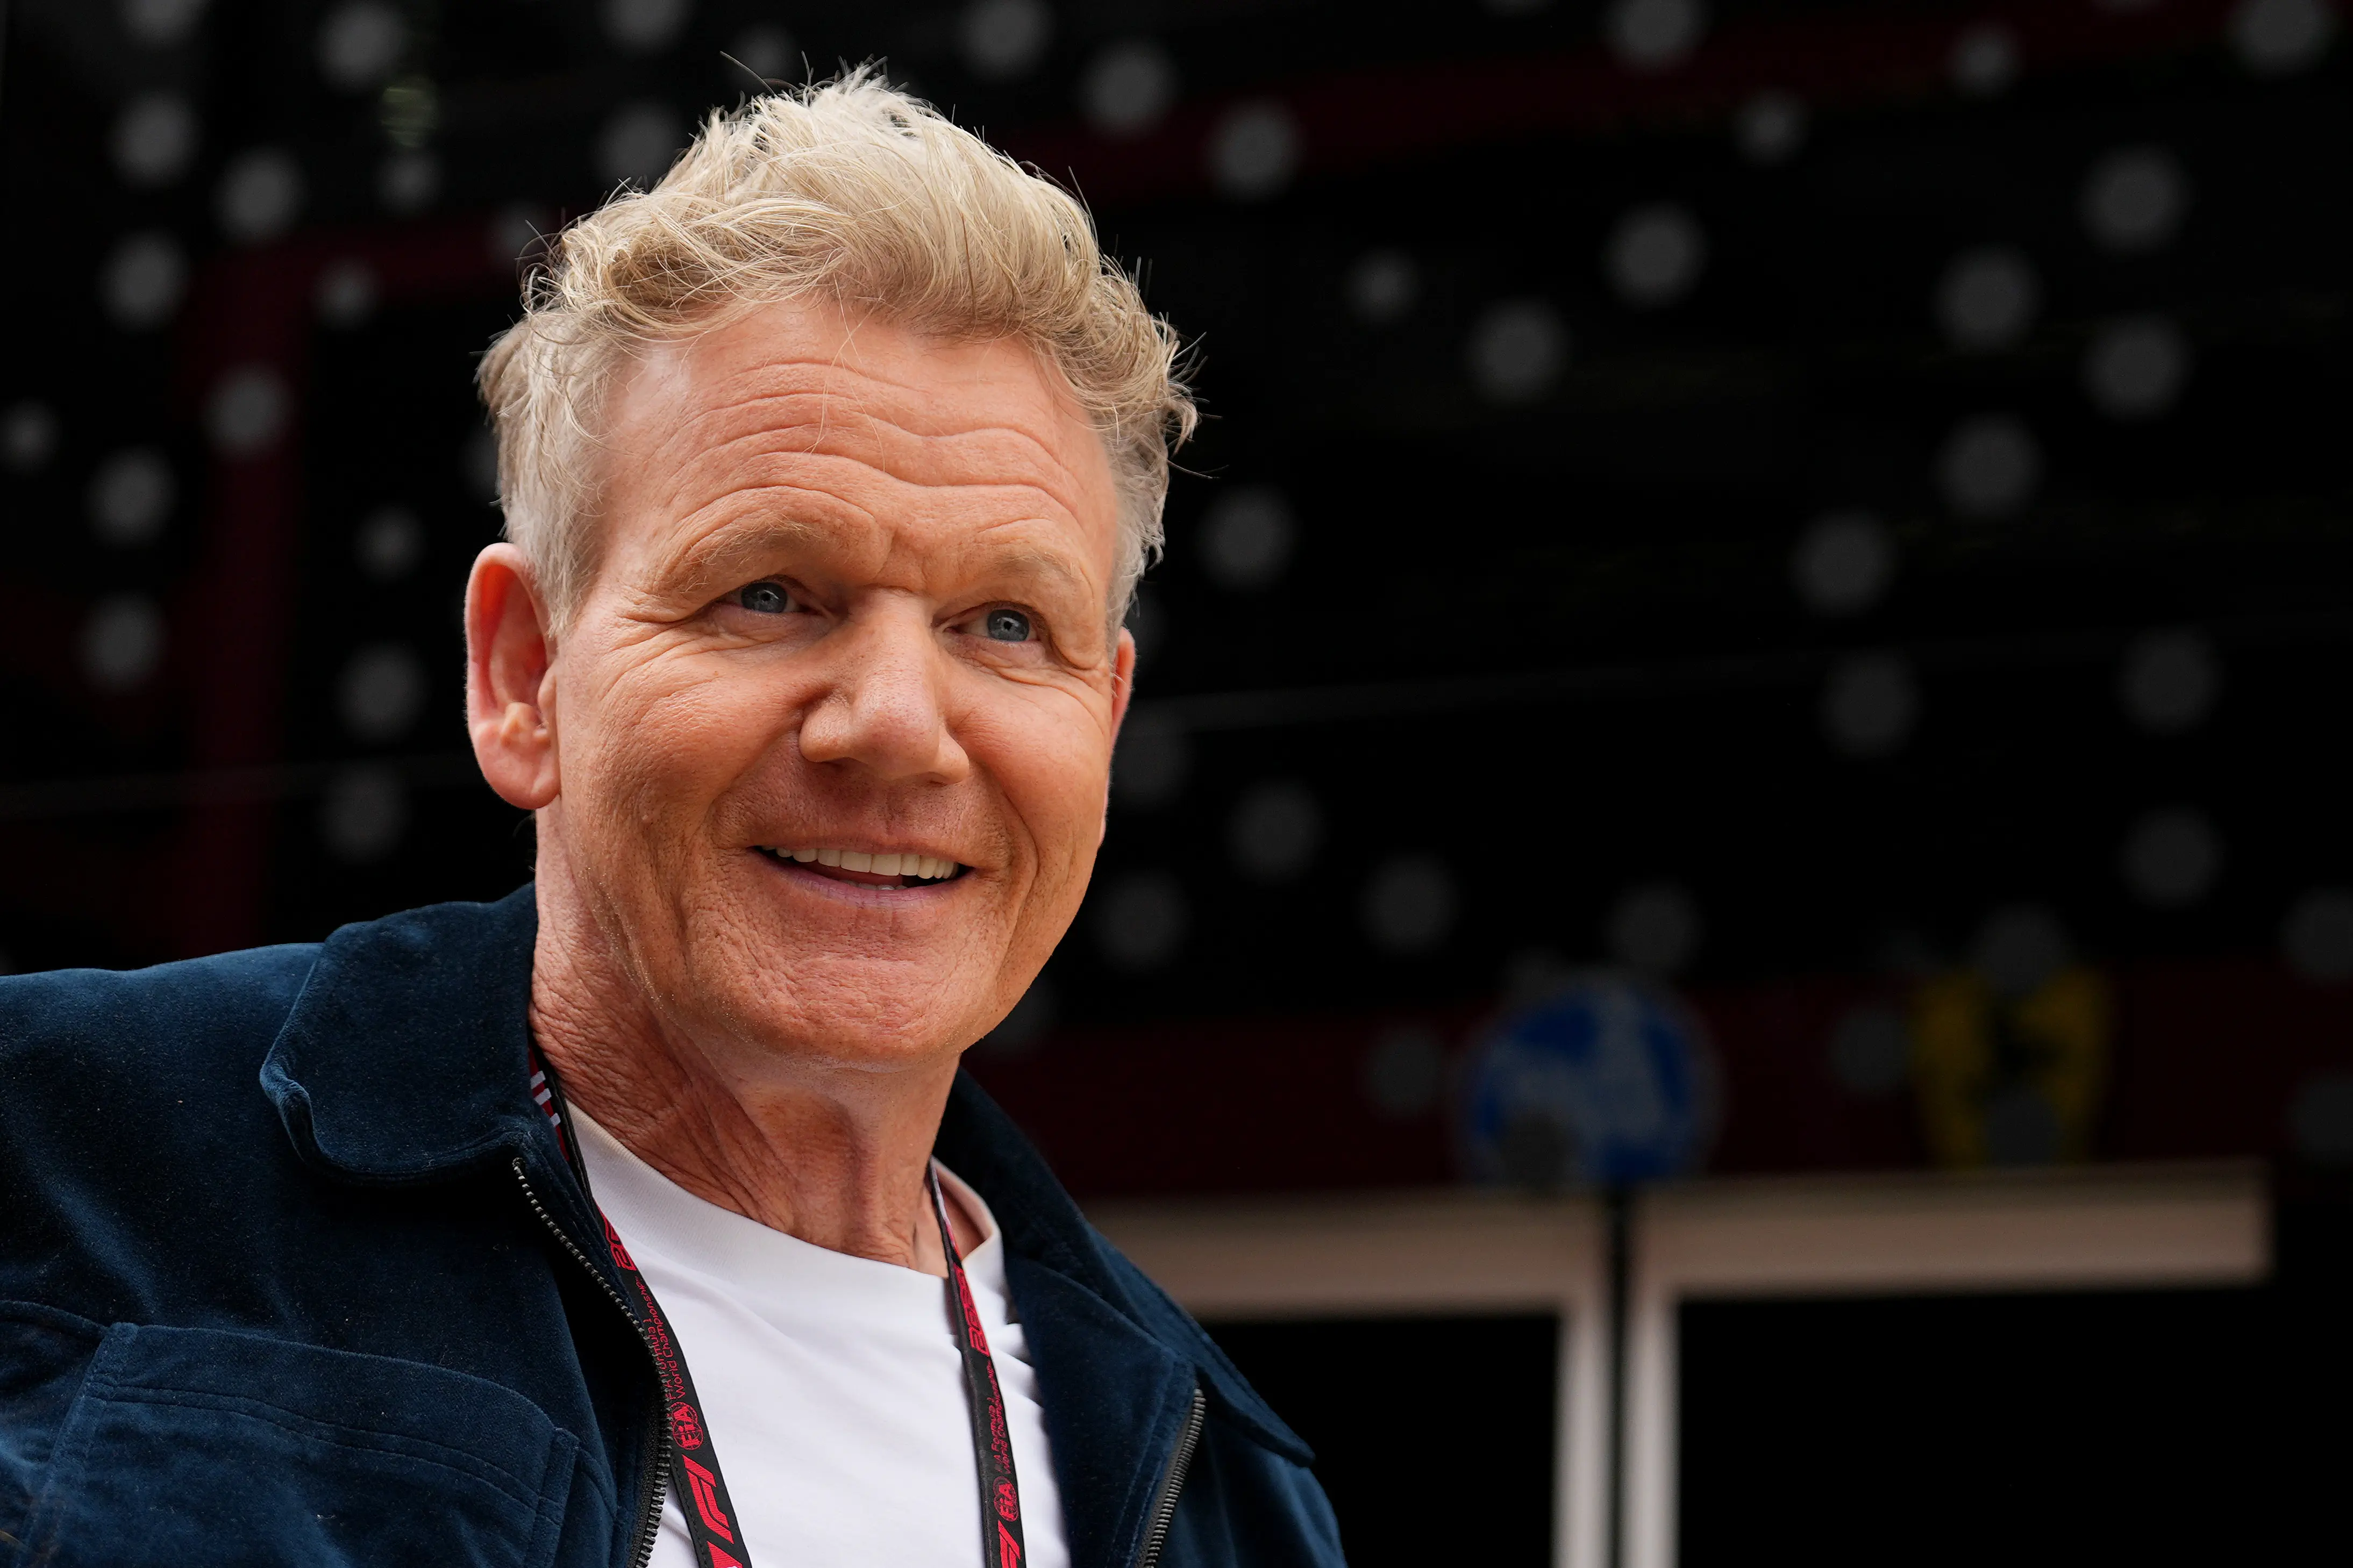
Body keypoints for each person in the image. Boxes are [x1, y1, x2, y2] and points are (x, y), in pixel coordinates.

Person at [0, 74, 1344, 1568]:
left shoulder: (1242, 1497)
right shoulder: (56, 1154)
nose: (897, 722)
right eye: (769, 593)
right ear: (525, 675)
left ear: (1105, 714)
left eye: (1008, 624)